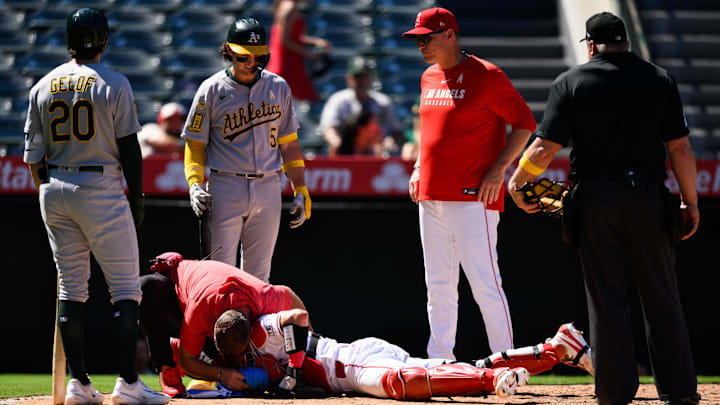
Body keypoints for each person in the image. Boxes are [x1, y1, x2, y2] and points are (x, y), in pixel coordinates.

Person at [507, 12, 700, 405]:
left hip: (594, 201)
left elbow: (544, 149)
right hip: (648, 197)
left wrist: (518, 181)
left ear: (591, 44)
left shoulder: (572, 81)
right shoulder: (660, 78)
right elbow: (679, 147)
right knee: (662, 296)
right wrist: (690, 200)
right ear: (625, 41)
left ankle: (614, 392)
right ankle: (679, 391)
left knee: (607, 300)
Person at [22, 8, 170, 405]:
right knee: (124, 290)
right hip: (100, 183)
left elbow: (32, 159)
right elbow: (129, 148)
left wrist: (50, 194)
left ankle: (80, 384)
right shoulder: (115, 83)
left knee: (72, 289)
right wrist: (136, 196)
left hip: (54, 184)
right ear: (103, 40)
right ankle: (127, 385)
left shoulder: (42, 85)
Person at [403, 7, 536, 360]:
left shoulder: (487, 75)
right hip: (430, 195)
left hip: (473, 196)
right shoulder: (428, 76)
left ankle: (507, 360)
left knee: (485, 284)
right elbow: (428, 130)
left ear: (449, 35)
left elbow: (525, 122)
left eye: (426, 38)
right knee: (438, 287)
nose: (421, 46)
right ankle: (440, 360)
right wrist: (418, 166)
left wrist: (498, 171)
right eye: (417, 40)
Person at [182, 17, 311, 282]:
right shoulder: (211, 89)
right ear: (228, 51)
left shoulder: (278, 86)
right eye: (244, 57)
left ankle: (254, 325)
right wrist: (195, 183)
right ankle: (219, 325)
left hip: (268, 186)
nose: (252, 63)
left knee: (259, 277)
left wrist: (300, 188)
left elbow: (289, 144)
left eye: (258, 57)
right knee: (220, 274)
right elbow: (195, 143)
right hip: (225, 184)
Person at [231, 309, 594, 400]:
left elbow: (298, 317)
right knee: (457, 369)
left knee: (398, 384)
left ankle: (491, 381)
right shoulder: (236, 361)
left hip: (345, 363)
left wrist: (293, 369)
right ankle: (557, 348)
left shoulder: (259, 330)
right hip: (357, 358)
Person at [138, 251, 308, 397]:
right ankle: (167, 366)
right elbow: (187, 360)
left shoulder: (263, 296)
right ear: (213, 327)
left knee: (241, 369)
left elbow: (291, 298)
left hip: (211, 298)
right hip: (178, 290)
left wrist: (308, 339)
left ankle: (183, 348)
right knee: (147, 287)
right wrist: (221, 374)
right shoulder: (201, 310)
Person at [319, 55, 405, 156]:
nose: (362, 81)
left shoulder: (382, 102)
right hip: (348, 152)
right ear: (349, 78)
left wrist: (390, 142)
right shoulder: (338, 100)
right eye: (358, 77)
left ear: (371, 78)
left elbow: (397, 131)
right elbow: (328, 128)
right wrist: (340, 145)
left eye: (365, 77)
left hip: (377, 153)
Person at [265, 0, 332, 102]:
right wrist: (308, 54)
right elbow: (284, 40)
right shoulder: (289, 8)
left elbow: (294, 36)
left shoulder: (287, 6)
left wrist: (315, 42)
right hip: (286, 65)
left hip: (290, 64)